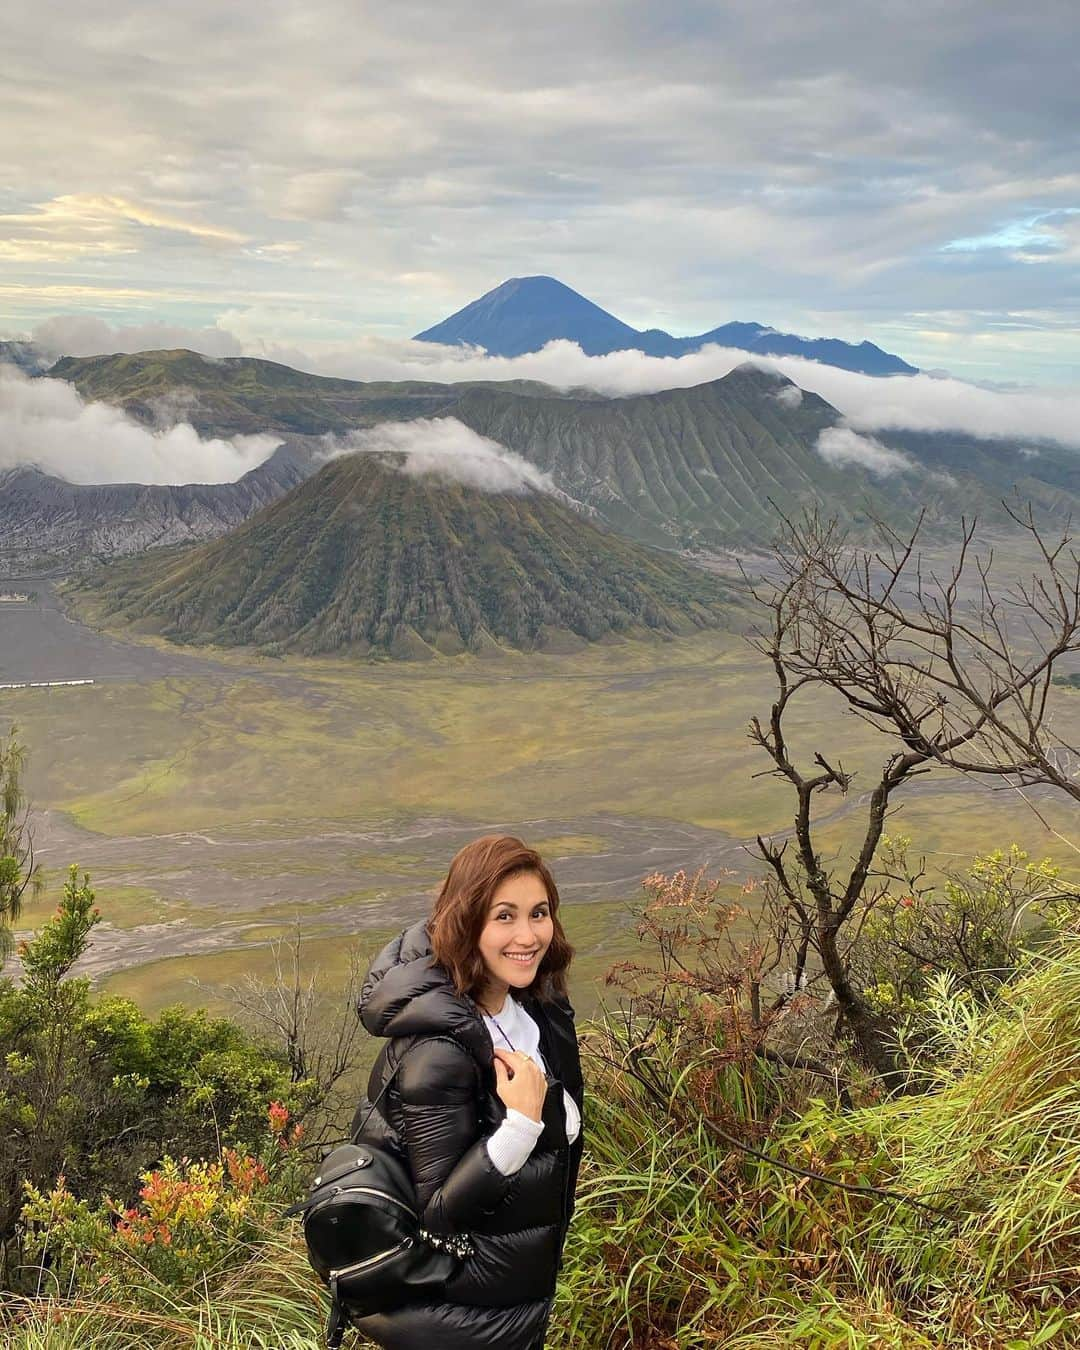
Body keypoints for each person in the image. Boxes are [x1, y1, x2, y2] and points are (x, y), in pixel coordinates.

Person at [349, 834, 584, 1350]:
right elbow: (438, 1210)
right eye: (504, 916)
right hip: (460, 1325)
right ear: (467, 921)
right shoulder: (440, 1054)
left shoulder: (533, 1007)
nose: (528, 934)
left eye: (538, 912)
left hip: (511, 1298)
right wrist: (520, 1126)